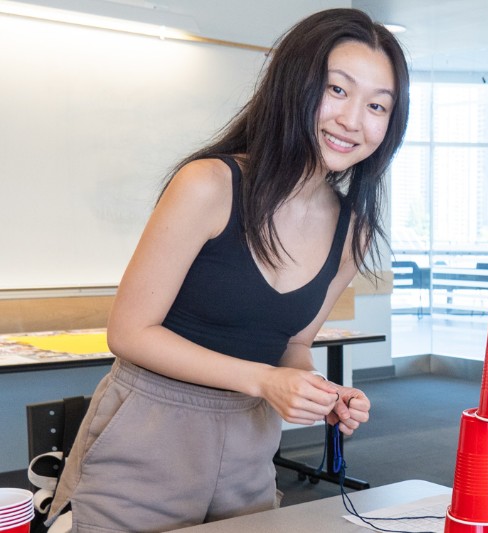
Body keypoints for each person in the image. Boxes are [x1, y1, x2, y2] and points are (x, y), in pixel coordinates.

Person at [46, 8, 408, 532]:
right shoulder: (209, 184)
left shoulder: (354, 230)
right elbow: (128, 332)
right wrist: (265, 380)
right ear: (294, 87)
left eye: (378, 105)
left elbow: (294, 344)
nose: (354, 119)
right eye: (337, 90)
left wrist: (317, 391)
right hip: (147, 434)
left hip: (248, 448)